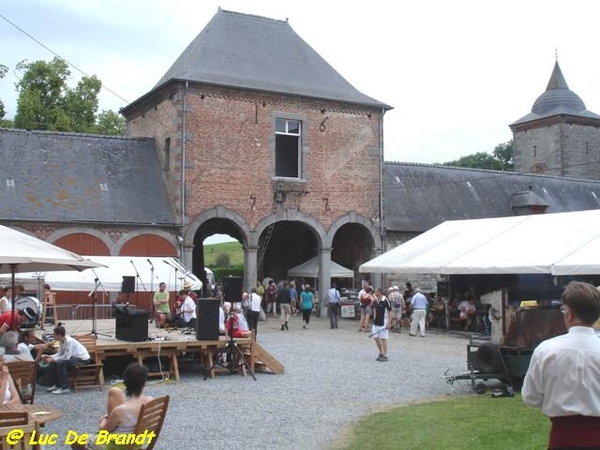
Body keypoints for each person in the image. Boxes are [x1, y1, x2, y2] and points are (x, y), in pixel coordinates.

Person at [522, 281, 600, 449]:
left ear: (569, 313)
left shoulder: (546, 350)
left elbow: (531, 397)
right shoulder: (546, 350)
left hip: (562, 439)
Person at [73, 362, 153, 450]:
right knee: (114, 391)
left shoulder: (120, 411)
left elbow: (103, 433)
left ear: (125, 383)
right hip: (137, 445)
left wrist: (102, 421)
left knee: (75, 441)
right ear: (144, 383)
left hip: (115, 446)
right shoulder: (150, 401)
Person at [43, 325, 91, 395]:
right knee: (55, 362)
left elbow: (67, 357)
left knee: (60, 363)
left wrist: (53, 359)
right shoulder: (61, 341)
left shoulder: (69, 341)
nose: (53, 336)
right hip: (73, 357)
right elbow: (59, 354)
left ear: (59, 335)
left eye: (54, 335)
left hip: (82, 359)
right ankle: (58, 384)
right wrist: (49, 356)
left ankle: (65, 387)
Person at [371, 287, 393, 362]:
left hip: (384, 322)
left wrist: (389, 323)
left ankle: (385, 354)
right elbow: (373, 309)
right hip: (376, 322)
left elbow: (390, 312)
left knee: (383, 338)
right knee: (376, 337)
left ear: (379, 292)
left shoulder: (386, 300)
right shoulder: (376, 300)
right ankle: (381, 352)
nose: (374, 293)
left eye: (376, 292)